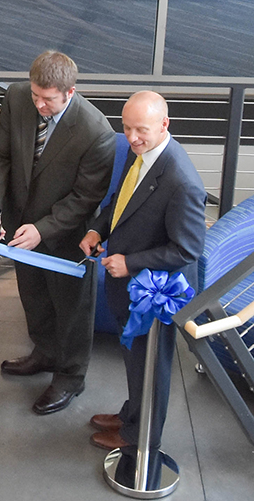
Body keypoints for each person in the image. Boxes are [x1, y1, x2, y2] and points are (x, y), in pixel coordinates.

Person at [0, 51, 116, 415]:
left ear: (69, 93)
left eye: (48, 99)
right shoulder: (17, 97)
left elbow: (86, 198)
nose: (39, 104)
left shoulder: (96, 132)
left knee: (71, 308)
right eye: (35, 96)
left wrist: (42, 229)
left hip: (66, 233)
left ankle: (70, 376)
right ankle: (44, 352)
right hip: (20, 224)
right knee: (34, 295)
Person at [80, 91, 205, 472]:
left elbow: (187, 250)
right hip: (130, 284)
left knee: (150, 365)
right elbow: (121, 201)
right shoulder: (145, 156)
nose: (132, 138)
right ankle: (131, 414)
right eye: (127, 127)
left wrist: (130, 263)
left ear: (165, 125)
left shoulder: (182, 181)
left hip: (153, 293)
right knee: (135, 361)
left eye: (141, 130)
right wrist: (97, 229)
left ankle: (140, 437)